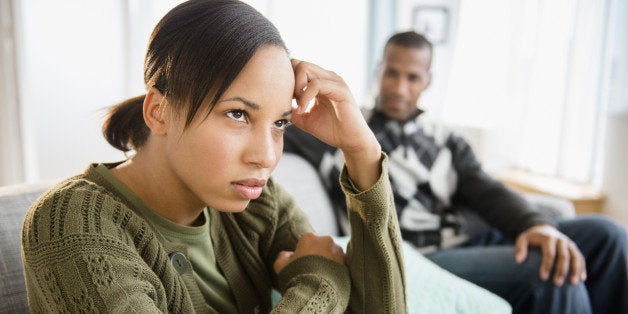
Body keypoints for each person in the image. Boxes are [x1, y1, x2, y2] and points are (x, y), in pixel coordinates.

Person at [20, 1, 408, 312]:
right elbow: (325, 282)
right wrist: (320, 283)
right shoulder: (71, 223)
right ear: (158, 111)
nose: (267, 157)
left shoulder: (259, 202)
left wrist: (361, 151)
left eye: (279, 123)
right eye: (238, 114)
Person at [284, 31, 628, 313]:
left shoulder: (446, 139)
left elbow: (486, 190)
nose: (400, 88)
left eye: (412, 77)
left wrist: (536, 224)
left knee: (608, 235)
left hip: (473, 241)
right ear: (379, 71)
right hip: (422, 258)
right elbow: (278, 118)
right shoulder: (340, 126)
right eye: (392, 73)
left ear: (427, 82)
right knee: (552, 271)